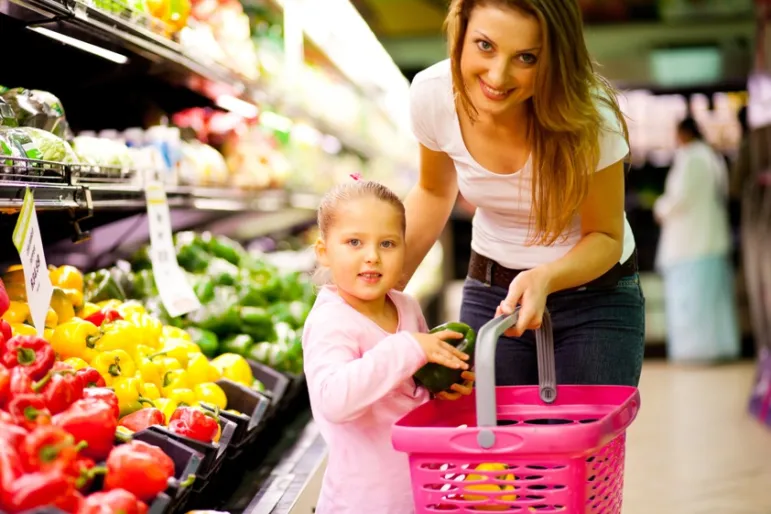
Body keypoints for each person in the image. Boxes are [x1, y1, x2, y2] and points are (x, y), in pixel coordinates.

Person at [401, 0, 645, 387]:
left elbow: (607, 237)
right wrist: (379, 293)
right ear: (460, 31)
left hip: (596, 298)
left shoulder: (590, 116)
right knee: (491, 437)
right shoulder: (434, 95)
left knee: (580, 444)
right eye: (485, 45)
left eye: (526, 57)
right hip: (491, 291)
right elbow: (433, 192)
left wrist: (545, 278)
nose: (497, 76)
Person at [302, 178, 476, 514]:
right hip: (361, 504)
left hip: (420, 493)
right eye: (354, 242)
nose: (372, 257)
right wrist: (407, 348)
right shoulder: (331, 322)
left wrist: (446, 390)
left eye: (387, 244)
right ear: (324, 252)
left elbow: (417, 387)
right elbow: (334, 401)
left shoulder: (406, 306)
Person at [653, 117, 740, 363]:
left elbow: (679, 198)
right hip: (712, 241)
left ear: (684, 133)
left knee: (690, 301)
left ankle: (694, 351)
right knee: (713, 301)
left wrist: (660, 209)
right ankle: (717, 349)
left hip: (689, 245)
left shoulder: (690, 157)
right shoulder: (713, 157)